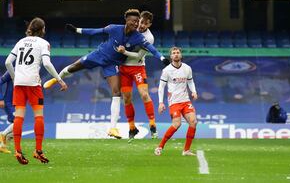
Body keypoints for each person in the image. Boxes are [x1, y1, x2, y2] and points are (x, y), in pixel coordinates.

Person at [43, 9, 169, 139]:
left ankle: (113, 128)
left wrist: (162, 59)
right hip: (99, 54)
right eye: (134, 21)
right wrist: (77, 30)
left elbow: (152, 50)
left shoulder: (139, 37)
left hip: (113, 64)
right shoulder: (114, 28)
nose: (136, 24)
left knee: (117, 93)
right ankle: (56, 78)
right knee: (74, 67)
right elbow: (95, 31)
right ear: (126, 21)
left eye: (138, 21)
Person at [5, 17, 68, 165]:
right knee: (38, 116)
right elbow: (46, 63)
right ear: (42, 29)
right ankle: (38, 151)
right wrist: (59, 79)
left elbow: (8, 62)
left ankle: (18, 150)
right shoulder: (43, 43)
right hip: (33, 84)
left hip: (19, 84)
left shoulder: (21, 41)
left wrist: (15, 78)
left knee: (19, 117)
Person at [116, 11, 158, 141]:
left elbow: (139, 56)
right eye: (141, 22)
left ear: (149, 24)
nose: (142, 25)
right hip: (124, 69)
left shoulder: (149, 38)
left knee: (144, 94)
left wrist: (125, 51)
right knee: (126, 98)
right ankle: (132, 128)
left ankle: (152, 125)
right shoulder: (128, 29)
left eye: (146, 23)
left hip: (138, 68)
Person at [154, 47, 198, 156]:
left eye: (178, 52)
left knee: (193, 122)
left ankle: (186, 150)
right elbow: (161, 87)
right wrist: (160, 102)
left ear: (181, 55)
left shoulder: (187, 68)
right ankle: (160, 147)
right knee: (176, 124)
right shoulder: (167, 70)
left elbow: (190, 82)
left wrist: (194, 91)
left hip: (185, 100)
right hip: (174, 102)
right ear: (171, 56)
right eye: (174, 53)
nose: (176, 54)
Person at [0, 72, 15, 154]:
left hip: (17, 102)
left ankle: (2, 146)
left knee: (17, 127)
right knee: (17, 122)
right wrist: (0, 98)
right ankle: (3, 135)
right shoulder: (12, 70)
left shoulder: (26, 70)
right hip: (9, 102)